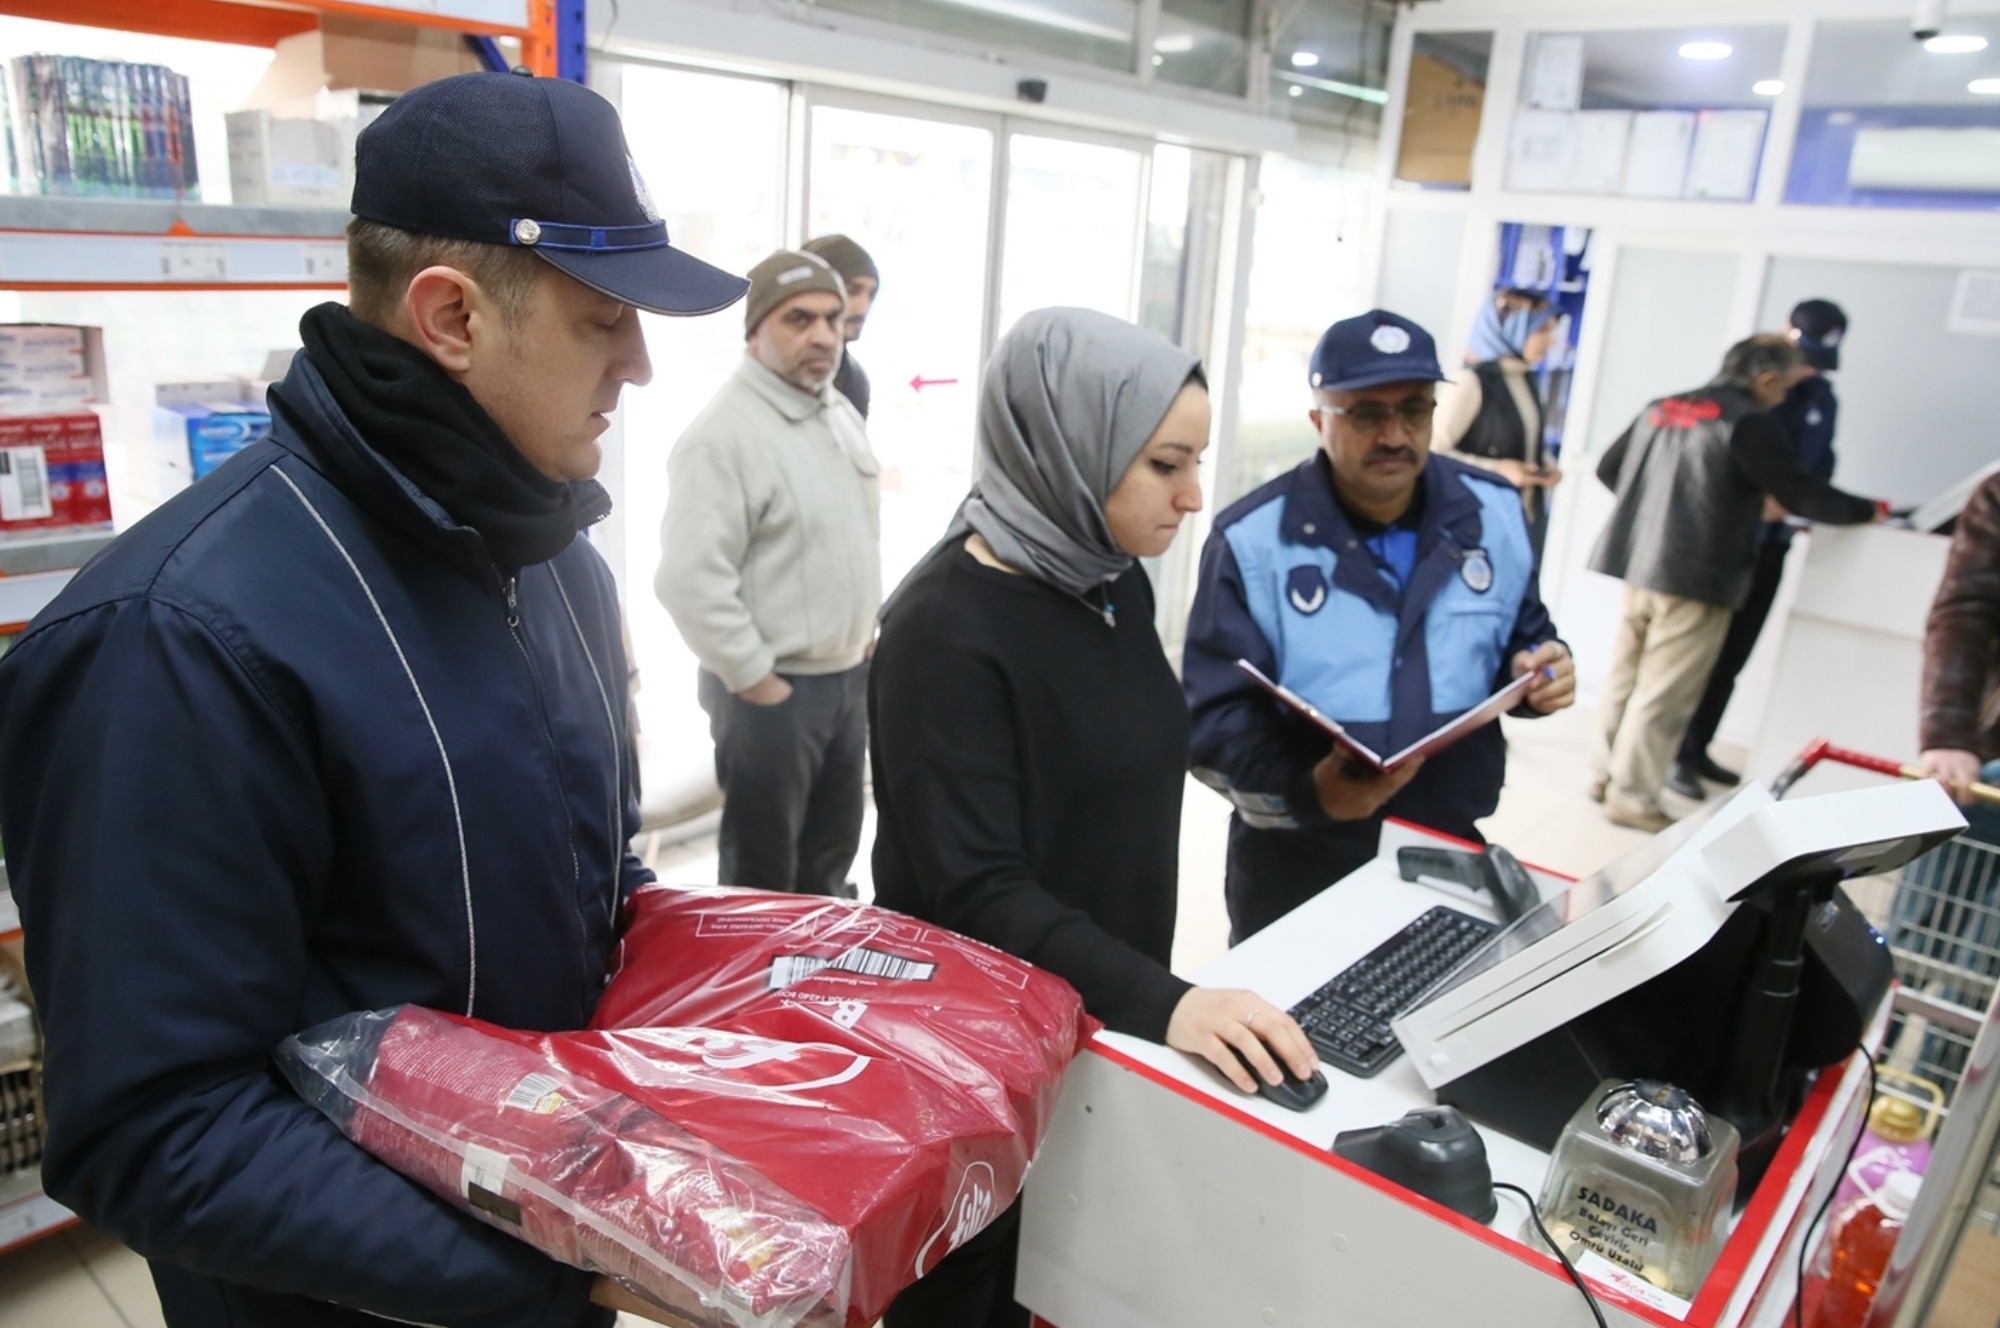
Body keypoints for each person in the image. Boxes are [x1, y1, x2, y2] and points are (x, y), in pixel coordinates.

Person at [0, 71, 747, 1327]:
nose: (642, 364)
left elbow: (586, 882)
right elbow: (154, 1125)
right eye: (602, 317)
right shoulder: (175, 638)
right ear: (450, 316)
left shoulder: (552, 555)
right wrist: (559, 1265)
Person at [870, 307, 1319, 1328]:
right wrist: (1168, 1002)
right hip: (972, 1058)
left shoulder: (1107, 580)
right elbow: (978, 891)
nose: (1193, 495)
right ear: (1069, 445)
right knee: (966, 1286)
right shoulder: (944, 628)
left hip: (1086, 1016)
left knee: (1068, 1259)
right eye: (1166, 462)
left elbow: (1124, 753)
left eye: (1197, 459)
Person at [1184, 309, 1575, 944]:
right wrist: (1312, 792)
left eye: (1415, 410)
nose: (1395, 434)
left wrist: (1543, 670)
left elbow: (1524, 638)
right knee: (1291, 1036)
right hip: (1297, 862)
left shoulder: (1494, 513)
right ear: (1319, 421)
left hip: (1448, 848)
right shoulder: (1252, 540)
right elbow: (1211, 724)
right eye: (1367, 414)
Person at [1588, 334, 1883, 832]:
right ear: (1766, 379)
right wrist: (1866, 510)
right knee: (1665, 690)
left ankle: (1603, 775)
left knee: (1626, 673)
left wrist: (1655, 509)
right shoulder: (1749, 422)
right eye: (1785, 386)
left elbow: (1607, 468)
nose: (1787, 396)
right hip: (1698, 573)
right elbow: (1799, 492)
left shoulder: (1662, 406)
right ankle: (1633, 797)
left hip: (1639, 562)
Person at [656, 249, 881, 898]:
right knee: (763, 877)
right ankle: (756, 995)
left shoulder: (834, 412)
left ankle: (818, 985)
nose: (821, 335)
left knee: (829, 858)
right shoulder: (722, 437)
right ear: (755, 331)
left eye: (833, 320)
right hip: (774, 693)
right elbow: (688, 580)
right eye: (798, 319)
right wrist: (756, 680)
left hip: (844, 682)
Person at [1670, 299, 1850, 799]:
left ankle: (1699, 745)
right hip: (1725, 544)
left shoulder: (1821, 399)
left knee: (1733, 658)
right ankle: (1675, 754)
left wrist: (1811, 504)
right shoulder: (1739, 399)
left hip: (1776, 544)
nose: (1807, 370)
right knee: (1696, 658)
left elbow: (1818, 467)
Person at [1899, 469, 2000, 1073]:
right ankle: (1857, 1085)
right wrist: (1949, 735)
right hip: (1982, 769)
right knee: (1916, 943)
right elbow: (1966, 609)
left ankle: (1935, 1113)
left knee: (1984, 977)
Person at [1432, 287, 1563, 549]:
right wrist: (1496, 471)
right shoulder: (1469, 383)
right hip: (1474, 527)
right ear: (1510, 328)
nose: (1552, 341)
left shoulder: (1525, 379)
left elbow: (1527, 439)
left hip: (1519, 523)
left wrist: (1544, 465)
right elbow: (1433, 454)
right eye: (1542, 330)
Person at [802, 233, 879, 418]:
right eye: (852, 291)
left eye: (871, 294)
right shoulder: (777, 376)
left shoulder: (855, 379)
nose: (863, 308)